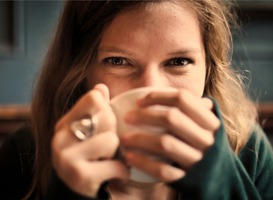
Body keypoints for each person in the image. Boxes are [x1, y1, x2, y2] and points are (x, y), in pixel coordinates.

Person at [0, 0, 272, 199]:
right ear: (81, 72)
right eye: (118, 61)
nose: (151, 89)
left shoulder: (249, 153)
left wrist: (221, 187)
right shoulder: (25, 157)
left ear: (209, 70)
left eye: (179, 61)